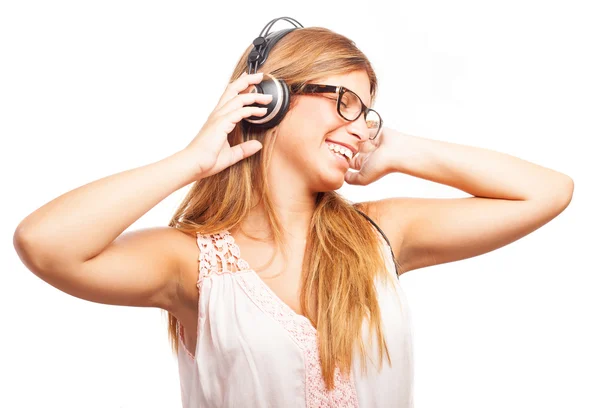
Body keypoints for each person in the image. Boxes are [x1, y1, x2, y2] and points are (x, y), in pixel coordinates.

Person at [13, 20, 574, 408]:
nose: (360, 126)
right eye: (345, 102)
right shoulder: (193, 263)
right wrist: (192, 160)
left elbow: (547, 191)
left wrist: (401, 148)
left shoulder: (383, 234)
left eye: (368, 112)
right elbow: (45, 243)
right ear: (270, 100)